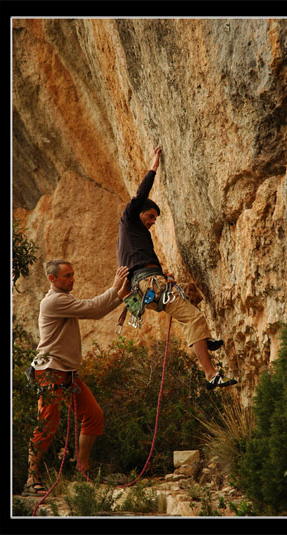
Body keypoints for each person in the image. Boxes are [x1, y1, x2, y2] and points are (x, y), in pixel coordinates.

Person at [117, 147, 238, 391]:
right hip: (149, 284)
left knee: (191, 291)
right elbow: (141, 194)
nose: (152, 222)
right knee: (193, 317)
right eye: (150, 217)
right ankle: (210, 374)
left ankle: (204, 340)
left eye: (154, 219)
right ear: (139, 212)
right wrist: (154, 167)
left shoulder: (133, 237)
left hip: (151, 285)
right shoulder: (129, 219)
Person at [22, 260, 129, 497]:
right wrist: (115, 289)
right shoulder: (54, 301)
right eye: (67, 276)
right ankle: (31, 480)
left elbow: (97, 310)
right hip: (49, 371)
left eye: (72, 275)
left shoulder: (63, 300)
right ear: (52, 279)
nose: (72, 279)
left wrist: (121, 294)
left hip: (66, 373)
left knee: (93, 416)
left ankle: (83, 471)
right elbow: (92, 309)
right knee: (47, 423)